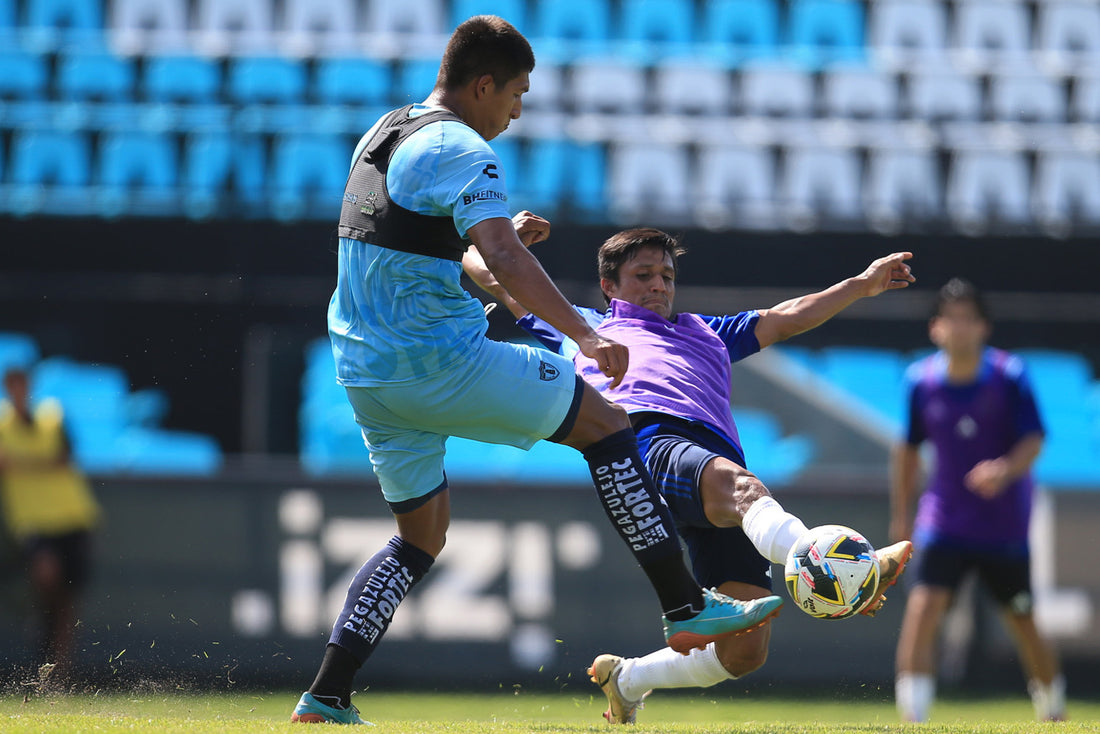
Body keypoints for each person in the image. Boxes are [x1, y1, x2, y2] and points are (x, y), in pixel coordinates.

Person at [290, 17, 782, 725]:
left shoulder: (387, 130)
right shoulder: (462, 147)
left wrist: (497, 247)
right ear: (483, 84)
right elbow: (506, 262)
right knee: (609, 426)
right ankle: (685, 606)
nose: (516, 111)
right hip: (439, 362)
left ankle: (326, 694)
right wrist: (583, 332)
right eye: (516, 93)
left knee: (419, 539)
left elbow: (438, 250)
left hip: (367, 374)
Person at [466, 227, 916, 724]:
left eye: (666, 275)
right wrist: (497, 242)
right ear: (609, 286)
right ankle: (843, 569)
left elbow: (785, 319)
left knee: (745, 651)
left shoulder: (708, 332)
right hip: (646, 444)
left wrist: (862, 283)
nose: (658, 285)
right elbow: (492, 275)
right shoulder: (582, 326)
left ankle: (629, 679)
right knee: (745, 489)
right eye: (643, 275)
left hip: (711, 462)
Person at [890, 278, 1066, 723]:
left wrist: (1004, 470)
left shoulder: (1010, 376)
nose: (960, 328)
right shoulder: (920, 382)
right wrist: (901, 517)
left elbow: (1034, 439)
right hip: (943, 521)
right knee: (924, 608)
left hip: (1003, 526)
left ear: (984, 327)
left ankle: (1053, 709)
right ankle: (914, 716)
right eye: (951, 319)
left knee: (1023, 618)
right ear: (936, 327)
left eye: (969, 319)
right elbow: (907, 451)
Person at [0, 367, 100, 684]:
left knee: (68, 601)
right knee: (47, 576)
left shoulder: (51, 416)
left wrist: (22, 464)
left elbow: (65, 457)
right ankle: (42, 646)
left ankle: (59, 673)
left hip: (73, 516)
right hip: (33, 521)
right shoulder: (3, 425)